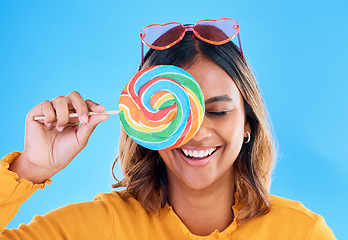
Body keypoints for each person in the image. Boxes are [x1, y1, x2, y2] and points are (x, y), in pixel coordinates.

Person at [0, 18, 336, 239]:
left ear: (248, 123)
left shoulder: (302, 231)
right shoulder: (102, 227)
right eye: (174, 111)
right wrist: (30, 167)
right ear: (147, 123)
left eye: (218, 111)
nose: (197, 131)